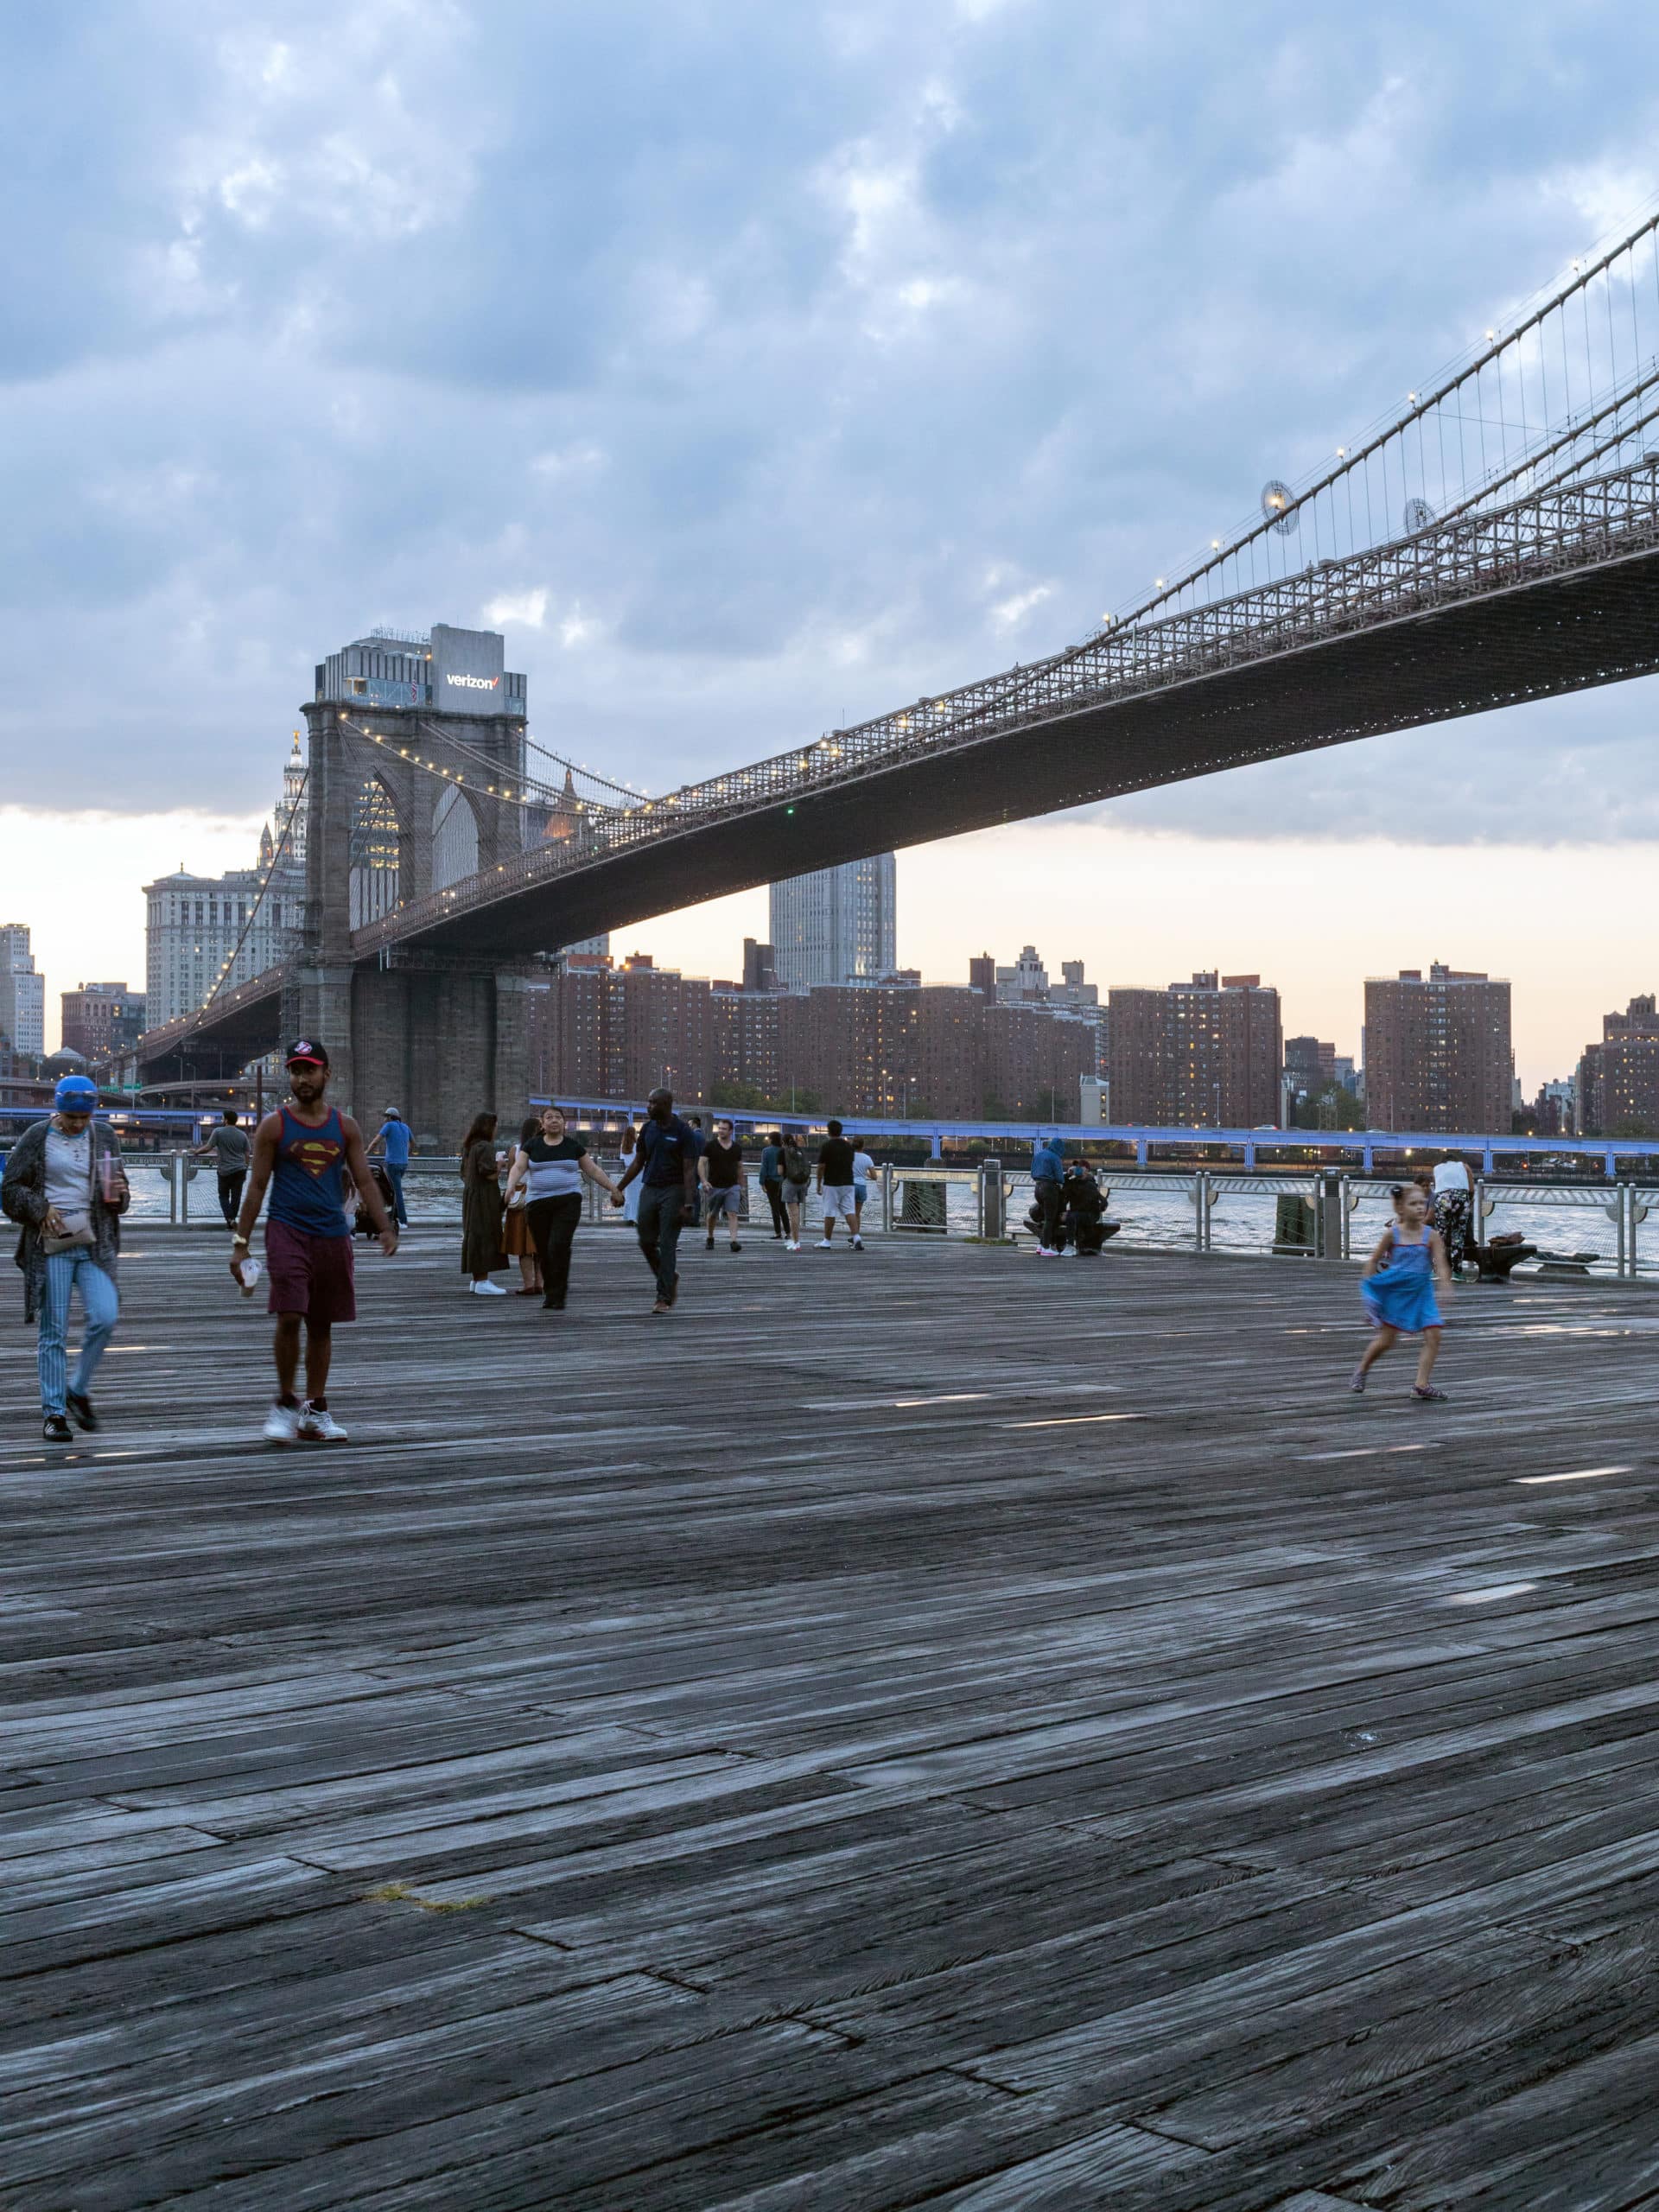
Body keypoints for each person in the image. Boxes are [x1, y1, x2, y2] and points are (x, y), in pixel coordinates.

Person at [232, 1039, 397, 1443]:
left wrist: (385, 1225)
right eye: (295, 1070)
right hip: (287, 1230)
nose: (301, 1078)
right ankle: (285, 1403)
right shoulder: (275, 1125)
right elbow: (256, 1187)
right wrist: (240, 1243)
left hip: (332, 1234)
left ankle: (315, 1410)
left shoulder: (346, 1127)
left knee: (321, 1324)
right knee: (290, 1314)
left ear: (327, 1074)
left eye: (309, 1070)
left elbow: (363, 1179)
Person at [2, 1073, 129, 1442]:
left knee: (105, 1316)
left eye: (83, 1119)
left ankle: (77, 1388)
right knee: (53, 1330)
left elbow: (119, 1197)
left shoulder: (104, 1136)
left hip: (93, 1245)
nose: (76, 1125)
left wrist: (119, 1195)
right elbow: (9, 1188)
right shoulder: (36, 1137)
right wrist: (40, 1207)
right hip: (51, 1245)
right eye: (70, 1118)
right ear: (58, 1111)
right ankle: (54, 1412)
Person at [503, 1103, 622, 1311]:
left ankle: (558, 1293)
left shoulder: (572, 1146)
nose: (554, 1121)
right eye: (549, 1117)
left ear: (564, 1123)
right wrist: (510, 1186)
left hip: (567, 1202)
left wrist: (613, 1189)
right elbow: (519, 1167)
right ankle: (551, 1290)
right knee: (543, 1250)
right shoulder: (532, 1146)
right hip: (537, 1203)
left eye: (558, 1117)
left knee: (558, 1245)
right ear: (542, 1123)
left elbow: (593, 1170)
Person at [1351, 1182, 1453, 1401]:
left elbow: (1442, 1263)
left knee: (1434, 1334)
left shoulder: (1432, 1235)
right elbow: (1372, 1262)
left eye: (1423, 1203)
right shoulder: (1393, 1235)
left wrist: (1445, 1284)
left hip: (1422, 1292)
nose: (1419, 1208)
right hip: (1397, 1292)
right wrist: (1371, 1296)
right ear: (1400, 1208)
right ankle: (1362, 1369)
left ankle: (1421, 1384)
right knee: (1387, 1340)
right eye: (1413, 1203)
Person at [613, 1086, 700, 1312]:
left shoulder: (683, 1132)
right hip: (650, 1188)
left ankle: (664, 1297)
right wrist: (618, 1188)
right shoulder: (648, 1129)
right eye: (648, 1102)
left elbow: (689, 1170)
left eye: (653, 1103)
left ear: (666, 1104)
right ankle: (670, 1276)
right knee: (645, 1240)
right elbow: (638, 1162)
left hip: (674, 1190)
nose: (648, 1106)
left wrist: (689, 1203)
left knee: (668, 1243)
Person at [460, 1112, 508, 1295]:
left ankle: (476, 1279)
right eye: (495, 1126)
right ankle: (482, 1281)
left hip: (471, 1196)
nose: (497, 1130)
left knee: (474, 1235)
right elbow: (490, 1174)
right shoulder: (485, 1147)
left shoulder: (469, 1147)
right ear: (489, 1127)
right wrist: (501, 1164)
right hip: (484, 1198)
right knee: (485, 1234)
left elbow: (464, 1174)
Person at [502, 1116, 543, 1294]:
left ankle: (528, 1284)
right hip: (540, 1198)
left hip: (519, 1199)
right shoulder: (545, 1148)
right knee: (540, 1245)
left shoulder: (515, 1150)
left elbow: (511, 1174)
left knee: (523, 1247)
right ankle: (540, 1284)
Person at [191, 1108, 251, 1227]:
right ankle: (232, 1221)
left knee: (223, 1196)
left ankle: (230, 1219)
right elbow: (247, 1153)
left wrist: (196, 1152)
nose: (222, 1120)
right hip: (240, 1170)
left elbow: (208, 1147)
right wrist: (245, 1167)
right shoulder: (243, 1135)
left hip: (224, 1170)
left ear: (226, 1120)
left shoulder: (218, 1132)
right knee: (236, 1197)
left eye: (223, 1118)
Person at [699, 1117, 747, 1250]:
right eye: (719, 1128)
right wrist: (704, 1180)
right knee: (712, 1214)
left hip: (732, 1186)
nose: (720, 1131)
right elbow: (701, 1163)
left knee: (732, 1213)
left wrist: (742, 1186)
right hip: (714, 1186)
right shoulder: (710, 1145)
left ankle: (733, 1241)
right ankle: (710, 1236)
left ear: (731, 1131)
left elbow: (740, 1167)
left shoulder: (737, 1148)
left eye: (724, 1129)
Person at [816, 1118, 861, 1249]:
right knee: (849, 1211)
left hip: (831, 1183)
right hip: (848, 1182)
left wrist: (819, 1183)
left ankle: (827, 1241)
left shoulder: (827, 1146)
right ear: (841, 1131)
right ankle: (856, 1237)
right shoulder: (849, 1147)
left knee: (829, 1212)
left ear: (829, 1131)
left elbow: (821, 1167)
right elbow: (850, 1164)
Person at [367, 1106, 412, 1226]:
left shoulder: (389, 1126)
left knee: (396, 1192)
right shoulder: (406, 1127)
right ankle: (393, 1216)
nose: (384, 1119)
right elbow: (412, 1142)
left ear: (391, 1117)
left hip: (392, 1164)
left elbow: (376, 1141)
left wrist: (365, 1153)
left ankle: (403, 1221)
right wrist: (405, 1153)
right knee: (392, 1190)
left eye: (386, 1117)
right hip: (403, 1164)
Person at [1432, 1153, 1474, 1275]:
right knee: (1458, 1236)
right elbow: (1471, 1189)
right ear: (1456, 1161)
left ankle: (1436, 1271)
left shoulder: (1437, 1168)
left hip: (1442, 1198)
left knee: (1440, 1235)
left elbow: (1437, 1188)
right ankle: (1457, 1272)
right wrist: (1469, 1200)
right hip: (1461, 1198)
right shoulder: (1464, 1166)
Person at [1031, 1133, 1065, 1255]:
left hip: (1038, 1187)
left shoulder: (1038, 1154)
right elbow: (1059, 1176)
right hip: (1049, 1188)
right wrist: (1062, 1182)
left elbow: (1032, 1172)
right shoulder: (1055, 1157)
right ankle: (1046, 1247)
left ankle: (1040, 1245)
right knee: (1050, 1218)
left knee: (1045, 1217)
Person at [778, 1128, 811, 1251]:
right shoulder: (800, 1151)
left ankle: (796, 1242)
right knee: (797, 1212)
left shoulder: (782, 1152)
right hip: (802, 1183)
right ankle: (794, 1240)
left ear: (783, 1142)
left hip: (790, 1183)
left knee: (793, 1214)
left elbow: (780, 1171)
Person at [1065, 1160, 1107, 1255]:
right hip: (1078, 1213)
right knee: (1072, 1216)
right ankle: (1072, 1245)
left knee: (1072, 1217)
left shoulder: (1090, 1184)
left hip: (1090, 1213)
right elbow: (1064, 1193)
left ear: (1087, 1170)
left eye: (1080, 1167)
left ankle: (1070, 1246)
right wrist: (1067, 1175)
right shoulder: (1073, 1182)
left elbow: (1102, 1202)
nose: (1077, 1169)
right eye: (1076, 1167)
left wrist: (1099, 1209)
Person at [758, 1131, 789, 1239]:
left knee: (774, 1208)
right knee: (783, 1208)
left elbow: (763, 1168)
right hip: (783, 1181)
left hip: (770, 1181)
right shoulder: (783, 1151)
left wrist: (762, 1182)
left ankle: (778, 1232)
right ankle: (788, 1232)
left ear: (771, 1140)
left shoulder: (766, 1151)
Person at [851, 1137, 878, 1242]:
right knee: (857, 1214)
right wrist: (865, 1174)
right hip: (861, 1186)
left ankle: (853, 1235)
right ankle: (856, 1236)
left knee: (850, 1213)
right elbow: (875, 1176)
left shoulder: (848, 1157)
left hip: (850, 1186)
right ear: (863, 1146)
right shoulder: (867, 1158)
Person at [620, 1120, 643, 1225]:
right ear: (634, 1134)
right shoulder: (637, 1146)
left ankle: (629, 1216)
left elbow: (623, 1160)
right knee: (638, 1196)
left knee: (630, 1197)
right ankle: (637, 1218)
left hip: (628, 1174)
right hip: (639, 1173)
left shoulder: (623, 1146)